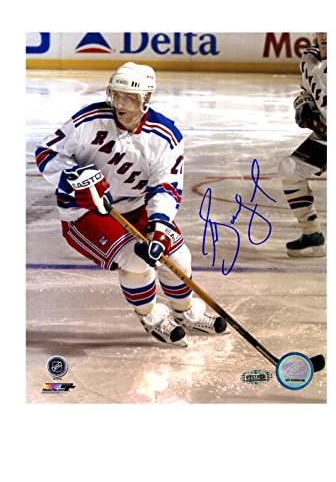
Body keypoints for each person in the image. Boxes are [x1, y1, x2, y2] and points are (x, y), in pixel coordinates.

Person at [35, 62, 227, 346]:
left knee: (177, 256)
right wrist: (74, 178)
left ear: (146, 99)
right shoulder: (90, 120)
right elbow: (47, 152)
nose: (120, 104)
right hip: (85, 211)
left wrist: (159, 227)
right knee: (138, 261)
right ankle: (151, 317)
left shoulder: (165, 136)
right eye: (116, 94)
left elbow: (166, 186)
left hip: (136, 207)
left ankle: (185, 312)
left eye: (129, 97)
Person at [279, 33, 327, 257]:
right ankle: (311, 233)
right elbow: (305, 93)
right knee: (291, 169)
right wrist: (303, 106)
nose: (325, 35)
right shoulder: (309, 60)